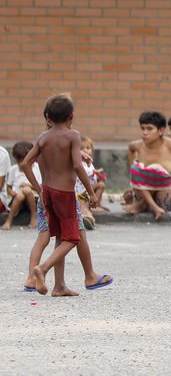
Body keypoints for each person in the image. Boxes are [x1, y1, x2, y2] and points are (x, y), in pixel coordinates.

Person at [22, 94, 101, 296]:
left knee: (59, 237)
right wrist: (91, 193)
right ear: (71, 116)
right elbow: (76, 165)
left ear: (48, 117)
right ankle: (43, 268)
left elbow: (25, 164)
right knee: (73, 238)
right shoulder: (74, 135)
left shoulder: (42, 137)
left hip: (47, 192)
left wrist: (38, 188)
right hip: (65, 195)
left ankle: (59, 286)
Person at [2, 141, 37, 230]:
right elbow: (9, 187)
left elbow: (41, 185)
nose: (21, 164)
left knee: (26, 190)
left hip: (33, 198)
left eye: (23, 160)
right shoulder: (13, 169)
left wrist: (30, 185)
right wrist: (11, 192)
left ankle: (34, 217)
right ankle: (9, 220)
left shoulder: (36, 168)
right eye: (18, 161)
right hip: (17, 199)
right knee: (21, 195)